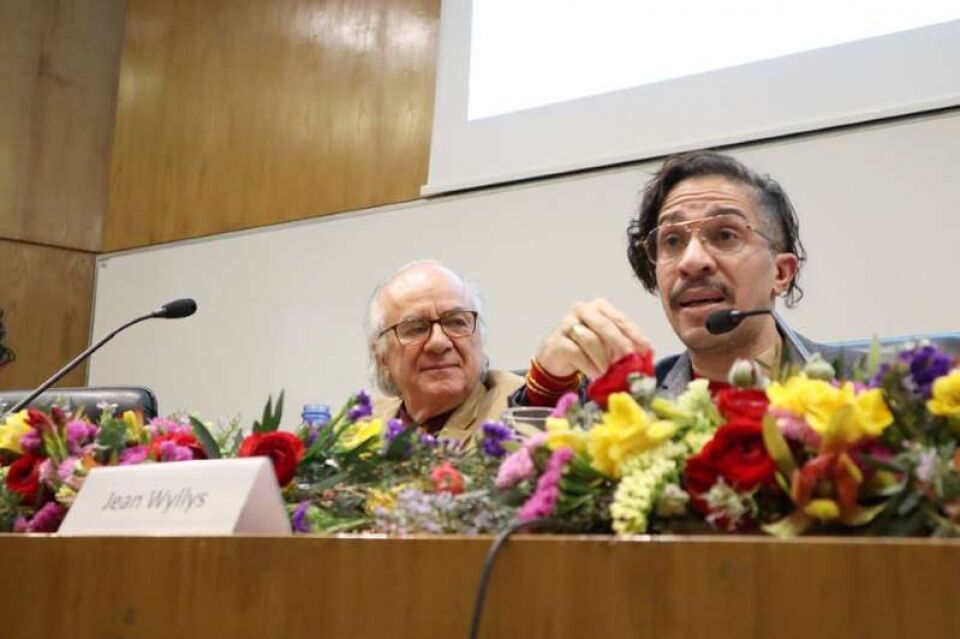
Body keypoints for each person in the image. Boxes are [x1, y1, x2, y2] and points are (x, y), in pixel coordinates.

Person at [517, 150, 854, 404]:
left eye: (725, 235)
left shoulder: (870, 389)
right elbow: (522, 487)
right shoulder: (627, 412)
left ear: (780, 273)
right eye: (673, 241)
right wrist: (548, 385)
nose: (691, 262)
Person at [366, 260, 524, 442]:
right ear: (382, 358)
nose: (439, 342)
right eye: (416, 328)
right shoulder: (360, 427)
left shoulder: (520, 412)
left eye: (456, 322)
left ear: (479, 338)